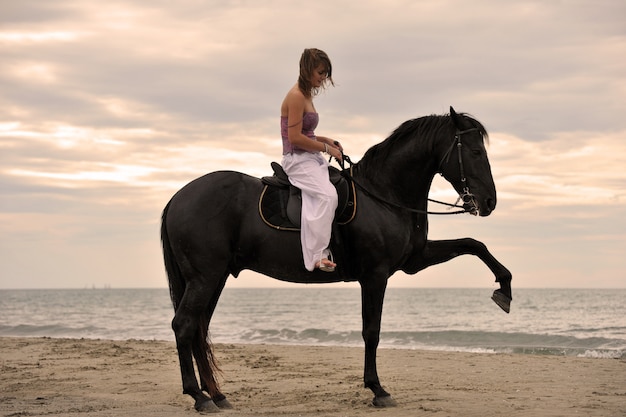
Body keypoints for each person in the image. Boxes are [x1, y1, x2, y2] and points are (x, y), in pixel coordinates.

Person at [280, 48, 343, 272]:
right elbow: (295, 139)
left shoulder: (306, 95)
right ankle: (318, 256)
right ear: (307, 70)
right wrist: (326, 148)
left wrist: (326, 141)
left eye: (325, 73)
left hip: (309, 156)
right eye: (320, 72)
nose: (323, 78)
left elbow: (306, 134)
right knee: (327, 196)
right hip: (296, 159)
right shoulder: (296, 96)